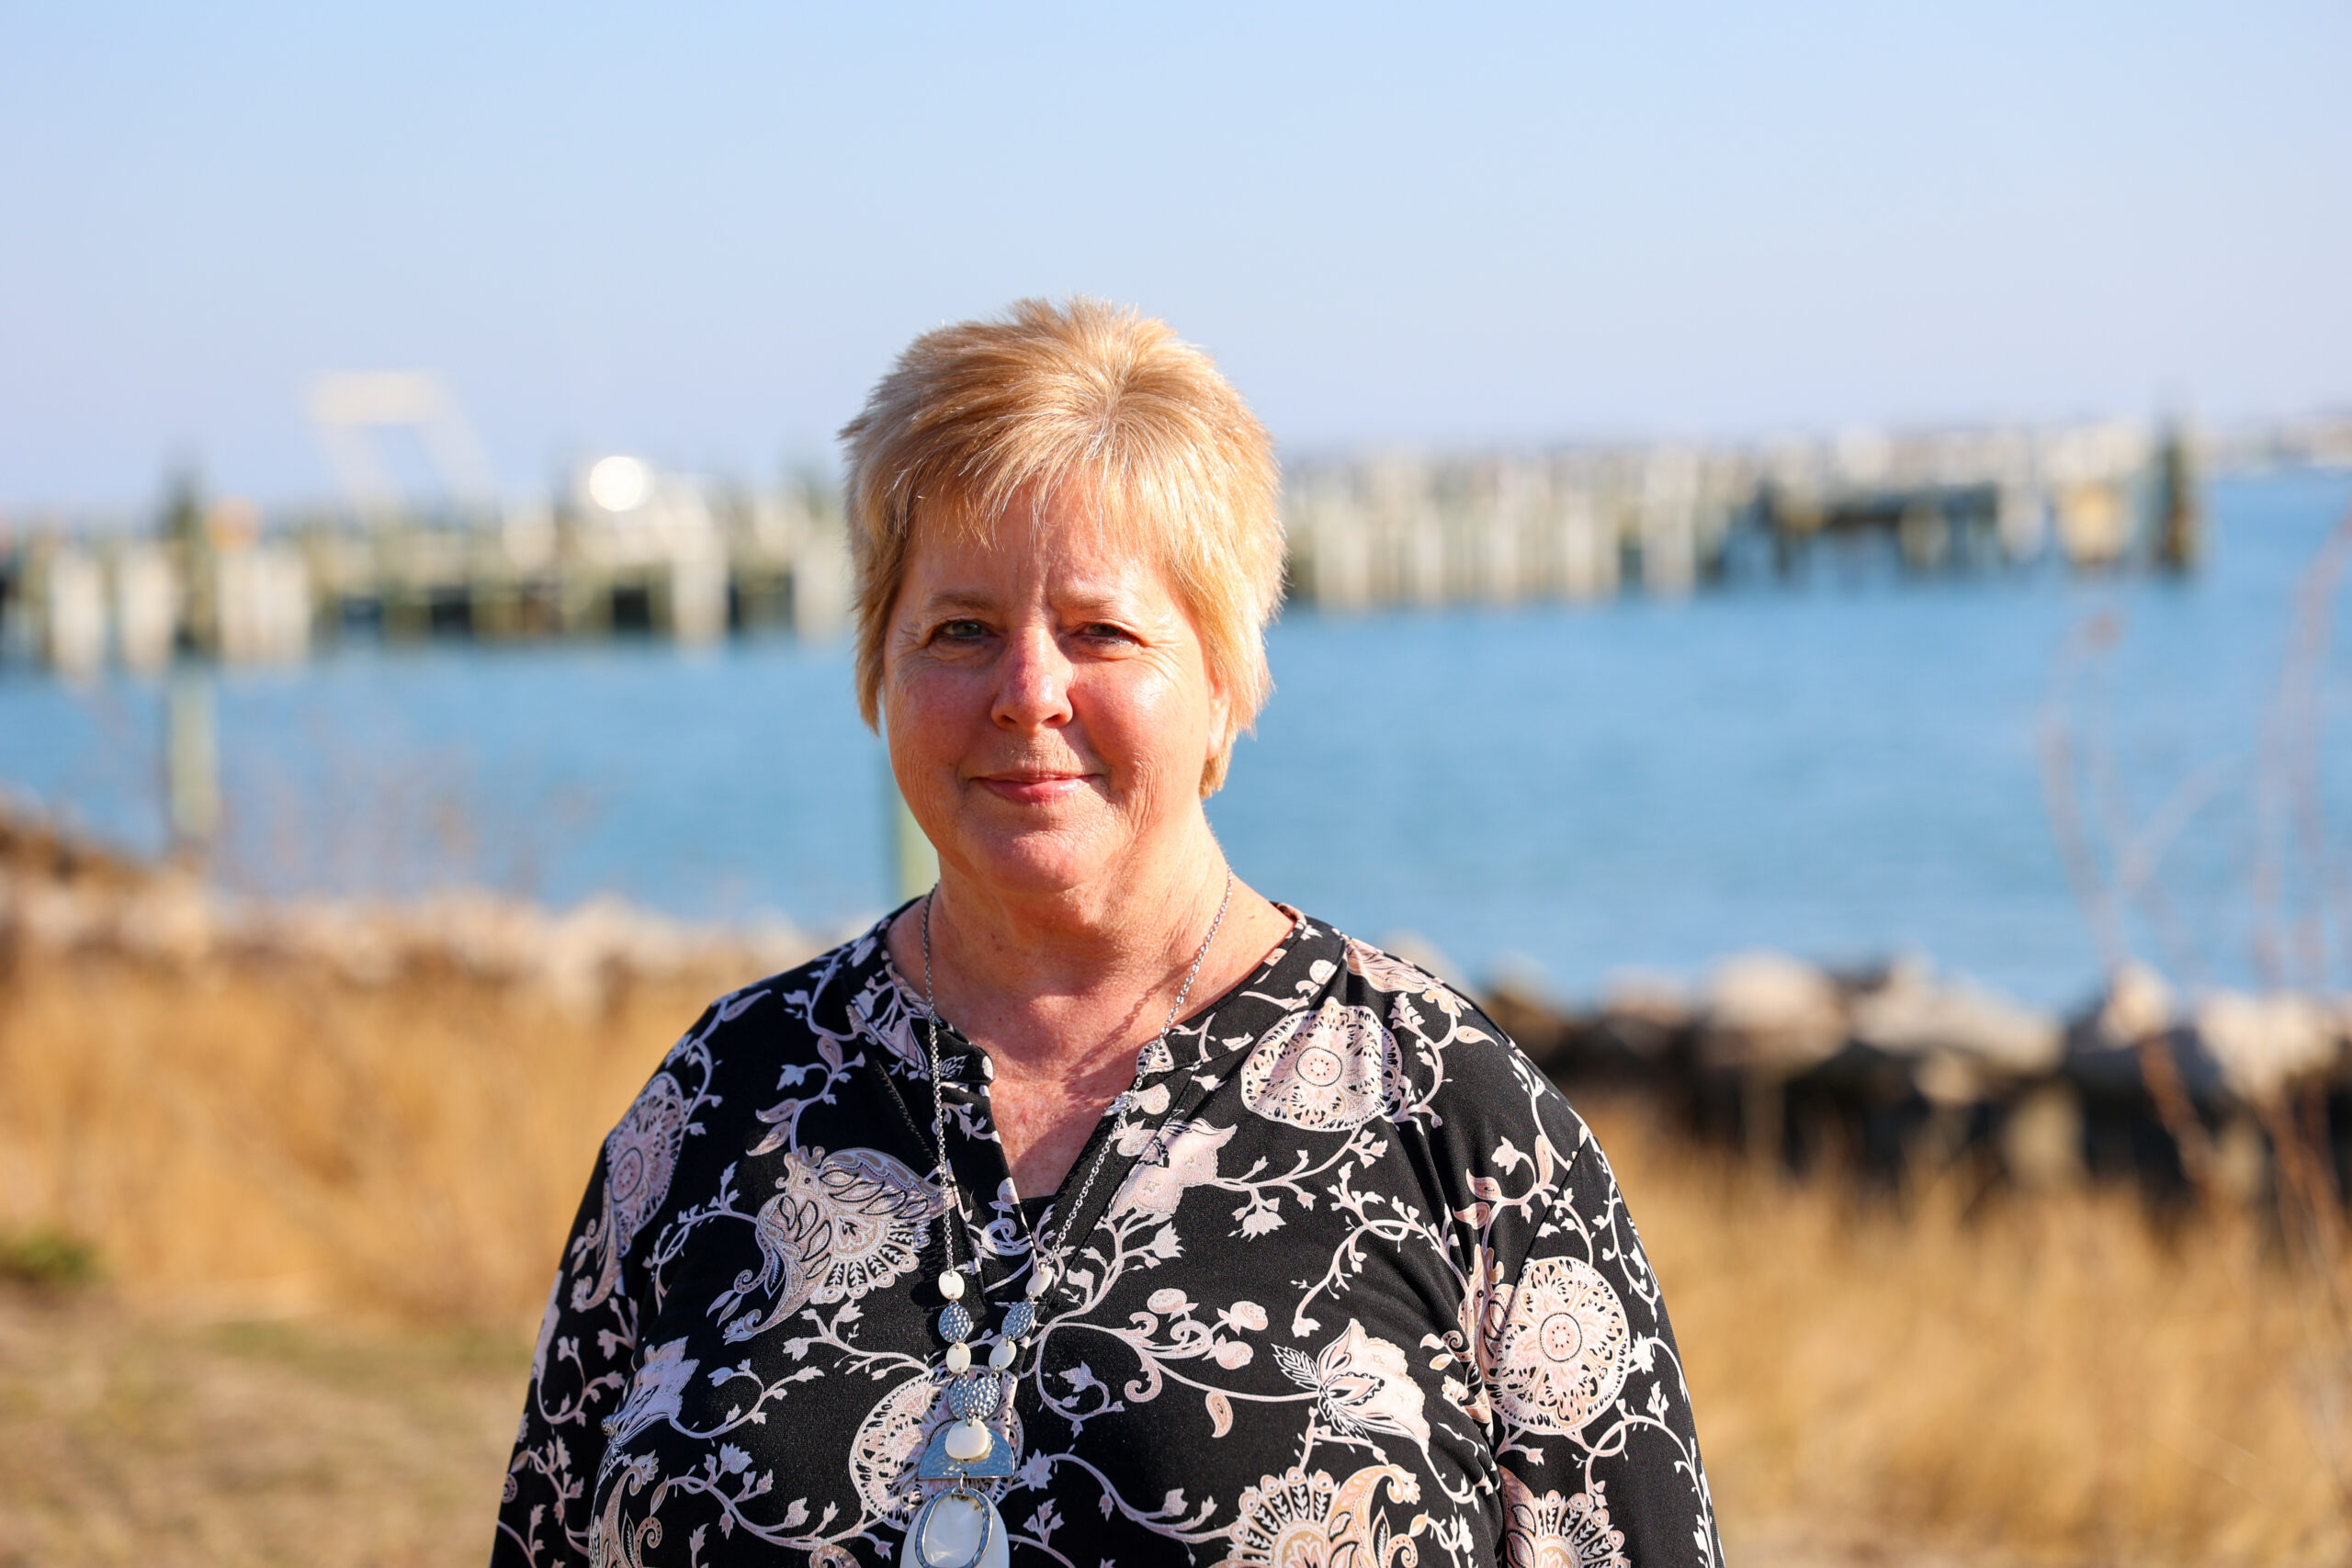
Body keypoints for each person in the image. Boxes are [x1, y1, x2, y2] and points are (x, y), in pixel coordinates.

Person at [492, 299, 1721, 1568]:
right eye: (960, 630)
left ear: (1226, 682)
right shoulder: (719, 1104)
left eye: (1102, 632)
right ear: (880, 672)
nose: (1028, 692)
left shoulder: (1453, 1125)